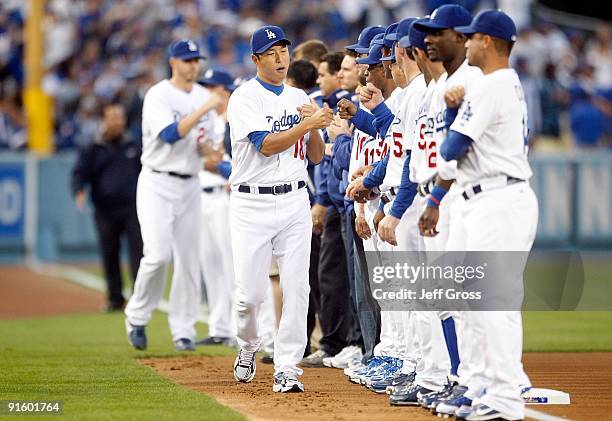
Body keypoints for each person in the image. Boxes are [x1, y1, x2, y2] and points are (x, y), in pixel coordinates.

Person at [421, 10, 538, 420]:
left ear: (487, 42)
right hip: (482, 198)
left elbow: (452, 149)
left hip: (499, 198)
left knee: (493, 302)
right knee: (470, 302)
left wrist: (453, 115)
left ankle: (505, 396)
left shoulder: (492, 85)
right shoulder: (500, 84)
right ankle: (481, 385)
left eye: (472, 38)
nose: (466, 42)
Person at [227, 25, 330, 393]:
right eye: (270, 52)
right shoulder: (243, 98)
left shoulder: (298, 95)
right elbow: (267, 145)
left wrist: (315, 127)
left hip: (293, 199)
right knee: (248, 296)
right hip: (251, 202)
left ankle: (287, 366)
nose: (280, 57)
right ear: (256, 59)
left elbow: (317, 156)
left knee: (298, 286)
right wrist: (308, 123)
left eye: (283, 50)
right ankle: (248, 343)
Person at [124, 39, 221, 352]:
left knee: (189, 260)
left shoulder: (204, 96)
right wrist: (204, 109)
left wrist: (209, 150)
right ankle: (137, 316)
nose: (193, 65)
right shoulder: (159, 94)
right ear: (173, 62)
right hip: (157, 182)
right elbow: (168, 135)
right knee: (157, 255)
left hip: (190, 182)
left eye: (196, 60)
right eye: (187, 60)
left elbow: (205, 146)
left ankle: (184, 330)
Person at [71, 103, 143, 312]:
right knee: (109, 253)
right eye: (112, 117)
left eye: (119, 117)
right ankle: (115, 298)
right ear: (104, 120)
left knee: (137, 255)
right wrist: (79, 191)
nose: (117, 121)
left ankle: (140, 298)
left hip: (131, 208)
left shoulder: (133, 145)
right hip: (104, 210)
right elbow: (79, 173)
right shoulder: (93, 147)